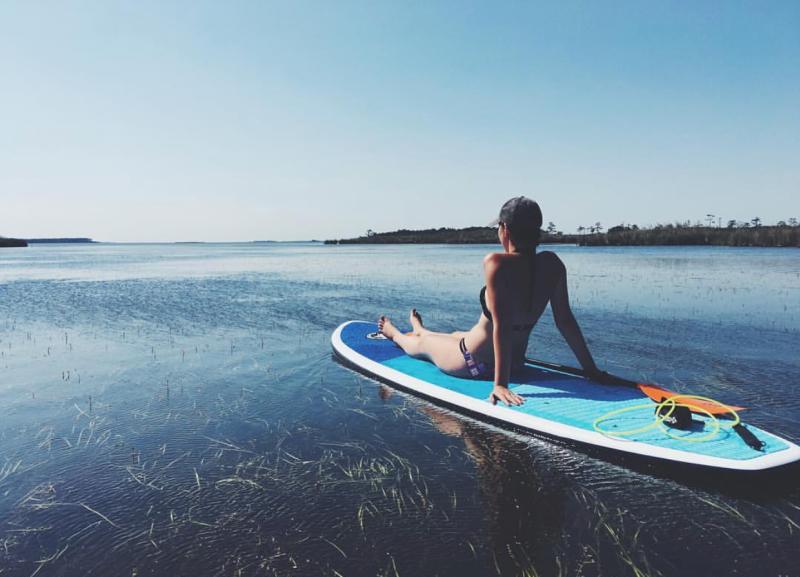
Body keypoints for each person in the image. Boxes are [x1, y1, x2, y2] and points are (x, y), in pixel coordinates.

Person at [378, 196, 606, 407]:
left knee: (423, 345)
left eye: (498, 227)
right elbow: (565, 321)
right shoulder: (553, 264)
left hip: (474, 364)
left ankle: (395, 333)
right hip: (517, 363)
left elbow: (503, 325)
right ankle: (420, 328)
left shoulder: (497, 263)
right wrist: (591, 370)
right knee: (458, 334)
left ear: (505, 230)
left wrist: (500, 385)